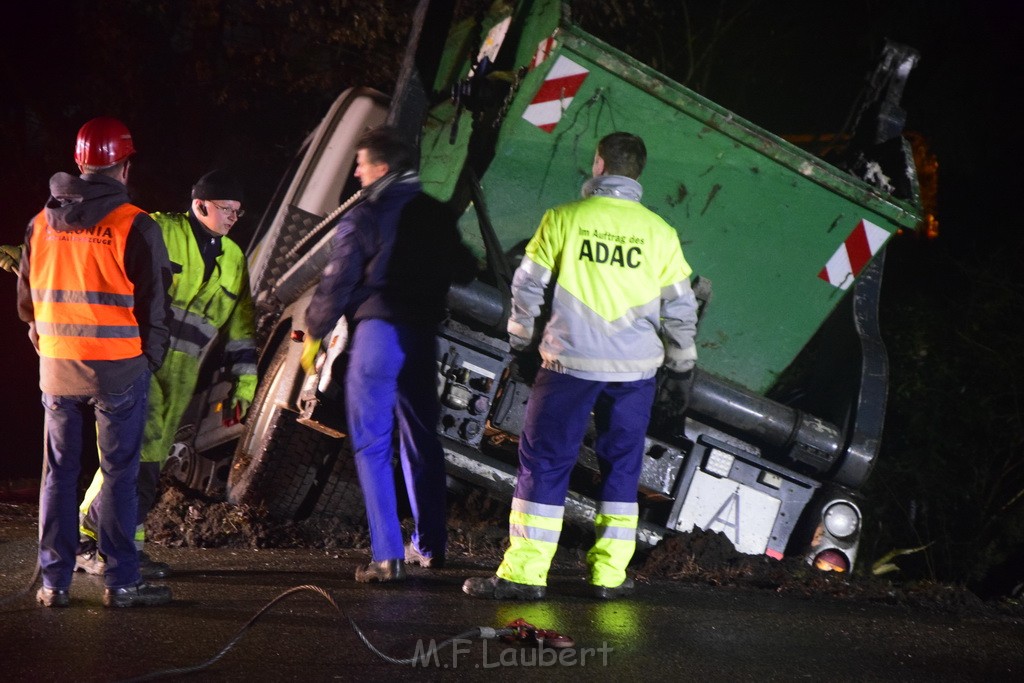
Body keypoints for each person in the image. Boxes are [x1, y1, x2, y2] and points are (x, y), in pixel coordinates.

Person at [462, 132, 699, 601]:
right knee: (622, 469)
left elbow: (528, 285)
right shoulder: (660, 233)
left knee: (547, 462)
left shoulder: (564, 218)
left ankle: (526, 575)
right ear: (637, 173)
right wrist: (681, 356)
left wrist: (521, 335)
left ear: (599, 164)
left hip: (570, 363)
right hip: (634, 373)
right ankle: (609, 577)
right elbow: (682, 306)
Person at [303, 126, 477, 583]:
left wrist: (314, 330)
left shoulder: (364, 215)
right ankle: (430, 546)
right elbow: (467, 266)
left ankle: (386, 556)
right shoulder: (436, 213)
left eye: (361, 163)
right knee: (422, 439)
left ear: (381, 167)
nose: (357, 171)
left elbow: (336, 280)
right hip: (421, 338)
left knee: (372, 445)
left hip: (378, 337)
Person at [17, 116, 174, 607]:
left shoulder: (40, 224)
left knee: (58, 474)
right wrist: (150, 360)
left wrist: (48, 344)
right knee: (120, 473)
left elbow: (27, 302)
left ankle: (54, 583)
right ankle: (122, 583)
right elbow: (156, 306)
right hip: (119, 368)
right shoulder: (134, 224)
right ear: (124, 167)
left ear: (80, 163)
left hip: (58, 367)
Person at [75, 170, 257, 578]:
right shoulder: (157, 228)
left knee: (139, 461)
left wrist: (244, 384)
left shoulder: (233, 260)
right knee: (138, 460)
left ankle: (99, 540)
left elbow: (241, 328)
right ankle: (111, 549)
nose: (233, 218)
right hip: (135, 358)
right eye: (227, 209)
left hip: (180, 377)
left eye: (238, 213)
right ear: (200, 204)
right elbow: (95, 250)